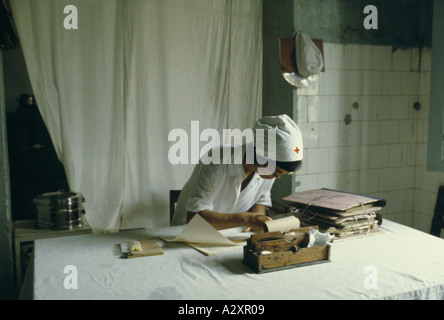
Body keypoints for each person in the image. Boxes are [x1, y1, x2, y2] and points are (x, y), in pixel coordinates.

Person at [171, 114, 303, 232]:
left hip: (230, 234)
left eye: (284, 173)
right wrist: (246, 219)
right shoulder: (218, 158)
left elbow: (260, 200)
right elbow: (194, 217)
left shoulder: (268, 170)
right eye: (278, 171)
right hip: (188, 233)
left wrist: (258, 219)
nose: (278, 177)